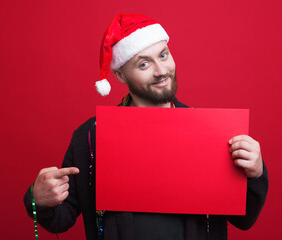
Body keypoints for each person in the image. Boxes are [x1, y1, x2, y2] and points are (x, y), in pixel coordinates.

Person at [24, 14, 268, 240]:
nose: (162, 71)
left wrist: (256, 172)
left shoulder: (211, 132)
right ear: (120, 76)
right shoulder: (91, 136)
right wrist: (39, 199)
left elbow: (244, 220)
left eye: (163, 55)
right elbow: (60, 220)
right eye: (144, 64)